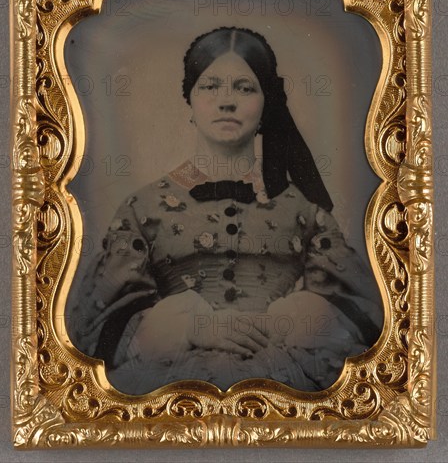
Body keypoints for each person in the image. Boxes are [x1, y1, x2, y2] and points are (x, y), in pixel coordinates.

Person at [67, 27, 383, 394]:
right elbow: (94, 327)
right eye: (211, 86)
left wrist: (294, 319)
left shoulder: (305, 212)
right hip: (173, 384)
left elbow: (366, 315)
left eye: (245, 88)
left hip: (283, 380)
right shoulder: (144, 208)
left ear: (266, 103)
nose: (226, 101)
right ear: (190, 98)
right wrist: (186, 326)